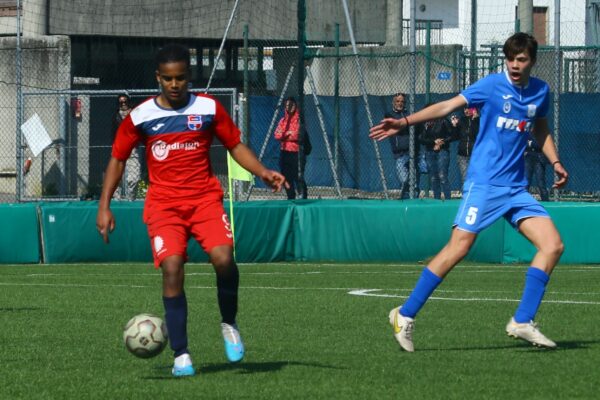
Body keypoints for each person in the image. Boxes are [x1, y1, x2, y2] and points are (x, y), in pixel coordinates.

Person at [96, 44, 287, 376]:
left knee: (224, 259)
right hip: (164, 206)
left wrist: (263, 171)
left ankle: (229, 322)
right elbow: (117, 160)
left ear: (189, 76)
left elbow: (235, 145)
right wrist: (104, 206)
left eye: (181, 78)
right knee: (171, 268)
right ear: (158, 78)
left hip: (204, 200)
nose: (174, 85)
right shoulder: (140, 117)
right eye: (168, 79)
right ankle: (181, 353)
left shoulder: (208, 108)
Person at [370, 32, 568, 351]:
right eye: (510, 59)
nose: (515, 65)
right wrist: (404, 122)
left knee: (553, 245)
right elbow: (448, 105)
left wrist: (555, 161)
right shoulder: (491, 86)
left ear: (532, 61)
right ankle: (404, 315)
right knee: (458, 248)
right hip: (484, 184)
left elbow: (540, 127)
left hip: (516, 188)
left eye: (522, 60)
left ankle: (522, 321)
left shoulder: (540, 92)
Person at [385, 93, 422, 199]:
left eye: (402, 101)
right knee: (404, 179)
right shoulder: (390, 115)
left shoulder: (409, 115)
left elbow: (417, 128)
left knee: (414, 181)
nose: (400, 103)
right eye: (398, 101)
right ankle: (406, 198)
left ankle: (414, 199)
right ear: (393, 102)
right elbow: (393, 126)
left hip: (412, 153)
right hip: (400, 154)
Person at [418, 108, 457, 200]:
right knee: (433, 178)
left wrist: (441, 142)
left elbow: (451, 136)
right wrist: (433, 142)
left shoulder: (443, 120)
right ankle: (437, 200)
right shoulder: (424, 123)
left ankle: (447, 200)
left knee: (442, 176)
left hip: (442, 151)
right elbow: (421, 138)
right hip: (429, 152)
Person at [274, 96, 308, 200]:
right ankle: (291, 198)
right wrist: (288, 133)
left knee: (298, 176)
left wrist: (286, 135)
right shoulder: (283, 121)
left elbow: (298, 135)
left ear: (295, 105)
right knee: (286, 177)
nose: (290, 107)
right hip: (285, 152)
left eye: (292, 105)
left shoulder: (299, 120)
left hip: (297, 153)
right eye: (288, 105)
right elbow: (277, 135)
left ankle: (303, 196)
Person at [111, 94, 141, 200]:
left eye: (125, 101)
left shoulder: (135, 113)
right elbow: (112, 132)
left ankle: (131, 197)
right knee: (116, 175)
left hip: (133, 148)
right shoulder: (116, 115)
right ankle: (116, 198)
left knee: (134, 177)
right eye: (121, 102)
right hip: (119, 147)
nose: (123, 104)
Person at [456, 107, 480, 187]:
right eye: (465, 109)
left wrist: (475, 120)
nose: (466, 111)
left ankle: (476, 197)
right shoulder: (462, 120)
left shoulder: (479, 121)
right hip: (462, 155)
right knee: (465, 178)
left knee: (476, 178)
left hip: (475, 155)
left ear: (474, 110)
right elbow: (454, 135)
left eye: (469, 109)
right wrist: (454, 126)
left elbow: (475, 133)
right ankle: (466, 197)